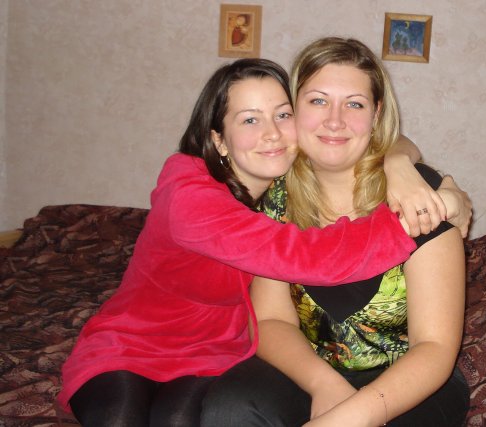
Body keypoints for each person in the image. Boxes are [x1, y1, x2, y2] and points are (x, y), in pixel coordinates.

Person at [57, 57, 465, 426]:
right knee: (144, 416)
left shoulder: (299, 184)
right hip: (140, 345)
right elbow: (307, 262)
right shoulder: (209, 199)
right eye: (250, 120)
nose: (271, 134)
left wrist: (401, 162)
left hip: (221, 352)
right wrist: (430, 213)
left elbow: (377, 142)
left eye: (280, 115)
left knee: (181, 418)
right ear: (219, 139)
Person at [200, 37, 469, 426]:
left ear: (376, 113)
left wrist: (350, 417)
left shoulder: (419, 196)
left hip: (410, 380)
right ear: (293, 109)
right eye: (318, 101)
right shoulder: (275, 198)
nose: (335, 121)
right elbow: (271, 320)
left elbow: (434, 347)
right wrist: (324, 385)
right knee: (229, 407)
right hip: (309, 369)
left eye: (354, 104)